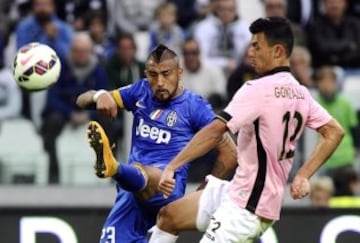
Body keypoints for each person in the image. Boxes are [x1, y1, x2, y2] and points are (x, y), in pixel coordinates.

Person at [149, 17, 345, 243]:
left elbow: (215, 131)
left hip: (247, 207)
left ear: (277, 51)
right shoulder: (300, 92)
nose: (250, 52)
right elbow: (334, 131)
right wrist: (302, 175)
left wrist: (173, 166)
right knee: (168, 217)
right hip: (240, 192)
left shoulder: (257, 89)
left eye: (256, 46)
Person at [76, 44, 237, 242]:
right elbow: (81, 100)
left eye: (166, 74)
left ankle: (114, 168)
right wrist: (100, 95)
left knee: (146, 171)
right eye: (153, 74)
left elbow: (230, 153)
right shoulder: (140, 90)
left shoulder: (195, 107)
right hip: (131, 196)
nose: (159, 82)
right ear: (146, 74)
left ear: (180, 73)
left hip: (167, 188)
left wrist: (203, 193)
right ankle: (116, 168)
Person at [41, 32, 108, 184]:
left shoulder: (99, 71)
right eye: (77, 50)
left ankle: (109, 169)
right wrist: (71, 113)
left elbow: (105, 99)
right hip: (65, 112)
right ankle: (53, 171)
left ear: (90, 52)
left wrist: (88, 115)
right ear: (71, 51)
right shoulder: (60, 69)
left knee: (110, 123)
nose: (80, 55)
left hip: (91, 114)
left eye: (84, 51)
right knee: (51, 121)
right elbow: (52, 99)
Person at [314, 66, 358, 179]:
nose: (326, 85)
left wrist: (356, 148)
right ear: (318, 83)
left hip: (345, 156)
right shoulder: (313, 105)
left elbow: (354, 128)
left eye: (330, 81)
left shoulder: (345, 103)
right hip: (323, 159)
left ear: (335, 82)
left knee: (347, 194)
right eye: (322, 81)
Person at [193, 0, 251, 76]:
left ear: (236, 10)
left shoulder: (245, 28)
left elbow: (250, 56)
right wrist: (224, 63)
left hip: (238, 72)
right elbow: (200, 59)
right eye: (222, 9)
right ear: (215, 9)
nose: (226, 13)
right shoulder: (203, 28)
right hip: (211, 72)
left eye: (230, 10)